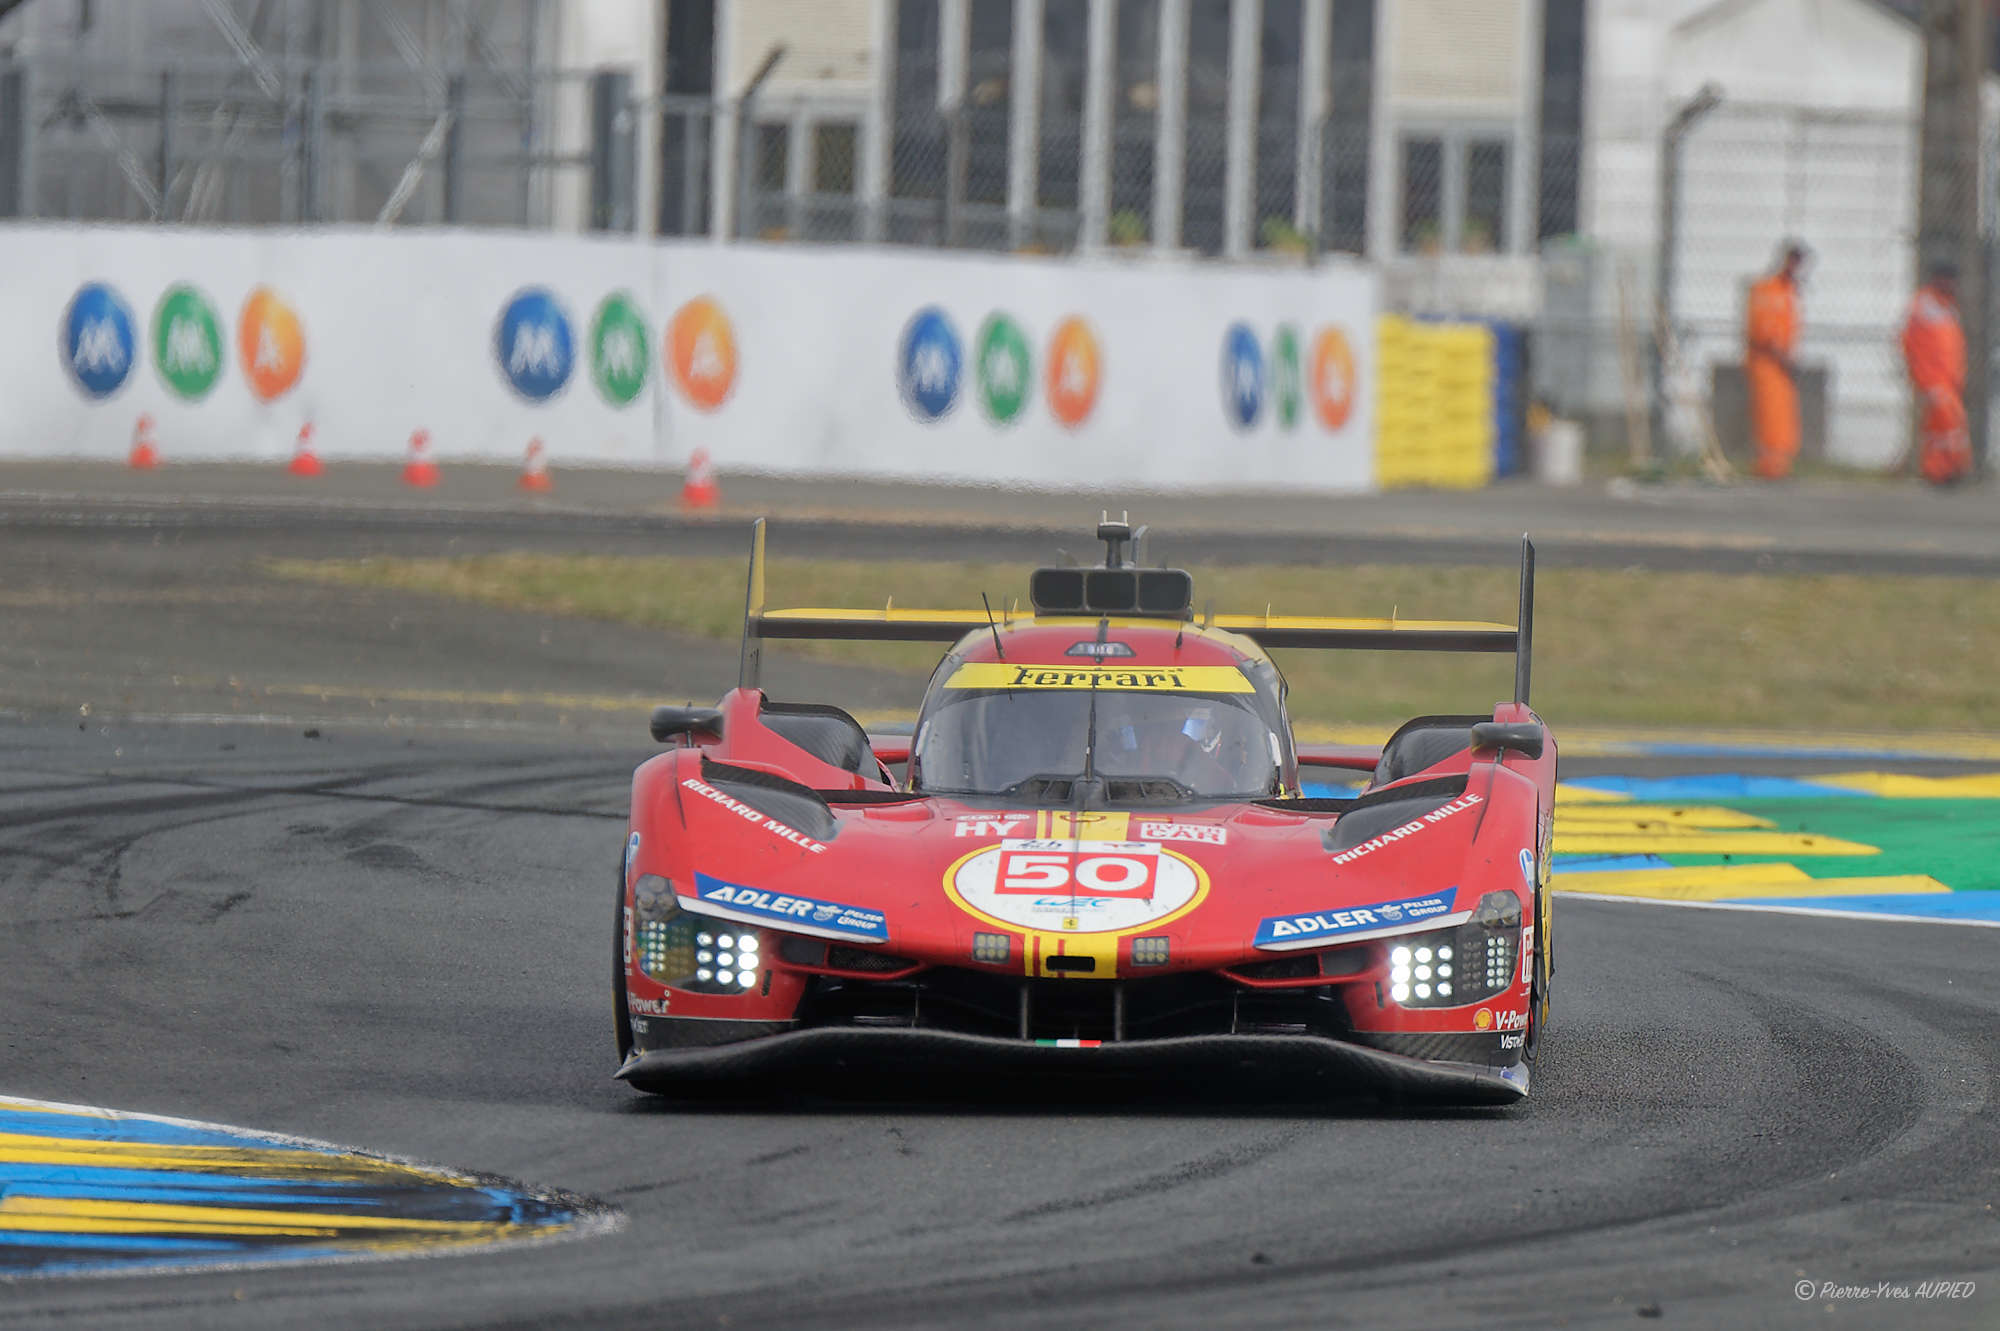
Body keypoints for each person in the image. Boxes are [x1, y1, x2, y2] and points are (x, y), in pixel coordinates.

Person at [1900, 260, 1971, 486]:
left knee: (1944, 427)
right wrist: (1922, 376)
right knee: (1945, 424)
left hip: (1949, 379)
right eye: (1947, 279)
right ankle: (1941, 470)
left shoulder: (1948, 306)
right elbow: (1912, 343)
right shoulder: (1925, 304)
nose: (1951, 284)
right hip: (1933, 378)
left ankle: (1945, 469)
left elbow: (1954, 347)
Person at [1744, 241, 1809, 479]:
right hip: (1768, 364)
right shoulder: (1767, 289)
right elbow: (1764, 331)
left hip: (1782, 365)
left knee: (1783, 416)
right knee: (1771, 415)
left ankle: (1779, 466)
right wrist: (1784, 357)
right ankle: (1768, 466)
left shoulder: (1788, 292)